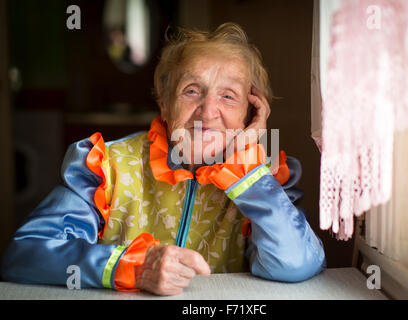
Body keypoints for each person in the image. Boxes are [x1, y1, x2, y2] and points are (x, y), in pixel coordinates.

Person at [1, 23, 326, 296]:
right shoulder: (108, 165)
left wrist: (247, 168)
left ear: (250, 114)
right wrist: (135, 267)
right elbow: (25, 254)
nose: (208, 111)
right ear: (165, 103)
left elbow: (295, 262)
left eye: (228, 96)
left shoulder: (262, 180)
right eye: (191, 91)